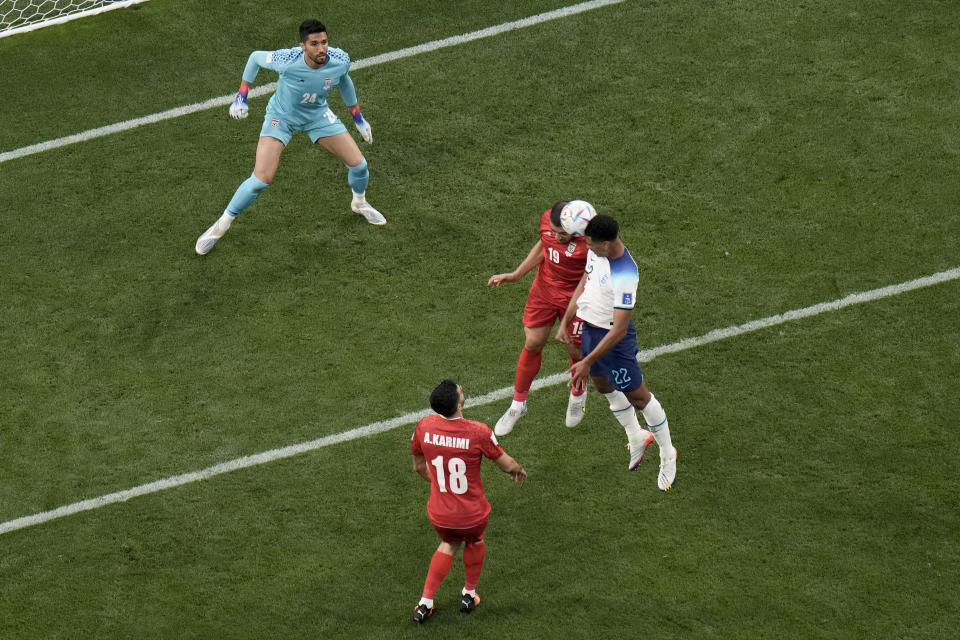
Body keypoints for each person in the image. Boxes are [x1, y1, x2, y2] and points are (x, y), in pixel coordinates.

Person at [195, 18, 385, 256]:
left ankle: (359, 203)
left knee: (360, 166)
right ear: (302, 46)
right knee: (261, 179)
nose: (321, 49)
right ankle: (220, 226)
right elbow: (255, 57)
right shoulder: (288, 60)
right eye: (314, 44)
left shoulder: (339, 60)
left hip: (317, 115)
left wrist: (357, 116)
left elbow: (344, 79)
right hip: (281, 117)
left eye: (324, 42)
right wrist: (242, 95)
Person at [556, 214, 678, 490]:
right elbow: (585, 283)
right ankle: (636, 436)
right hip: (591, 329)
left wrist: (587, 360)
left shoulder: (625, 273)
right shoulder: (596, 252)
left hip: (614, 341)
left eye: (592, 244)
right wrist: (566, 320)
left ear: (607, 244)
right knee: (602, 385)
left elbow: (620, 329)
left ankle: (668, 453)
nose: (588, 248)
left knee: (638, 396)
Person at [410, 379, 527, 623]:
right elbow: (506, 463)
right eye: (459, 390)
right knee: (474, 541)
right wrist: (518, 469)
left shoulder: (423, 427)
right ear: (458, 403)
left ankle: (425, 603)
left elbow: (418, 466)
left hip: (440, 513)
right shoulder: (478, 431)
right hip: (472, 514)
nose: (461, 389)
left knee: (448, 544)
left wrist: (443, 487)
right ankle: (469, 594)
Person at [486, 201, 591, 435]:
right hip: (544, 291)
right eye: (554, 231)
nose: (557, 237)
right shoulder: (549, 222)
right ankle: (518, 404)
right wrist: (515, 275)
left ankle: (578, 392)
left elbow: (586, 284)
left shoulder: (590, 244)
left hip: (577, 297)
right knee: (532, 342)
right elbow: (544, 246)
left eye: (562, 234)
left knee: (576, 349)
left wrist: (565, 323)